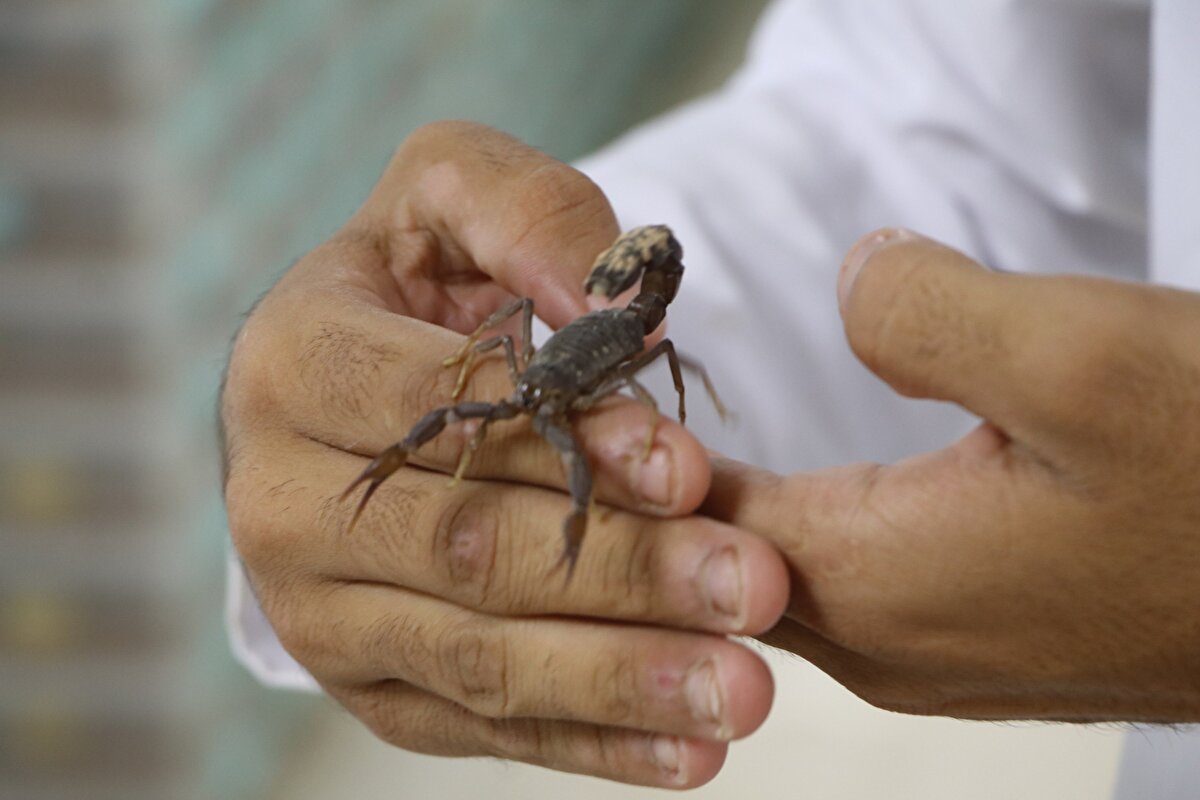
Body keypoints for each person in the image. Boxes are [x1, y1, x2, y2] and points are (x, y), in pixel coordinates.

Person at [220, 0, 1200, 795]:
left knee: (577, 451)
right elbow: (966, 126)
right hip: (582, 350)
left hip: (599, 357)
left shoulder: (602, 378)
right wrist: (368, 401)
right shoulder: (540, 364)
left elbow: (644, 378)